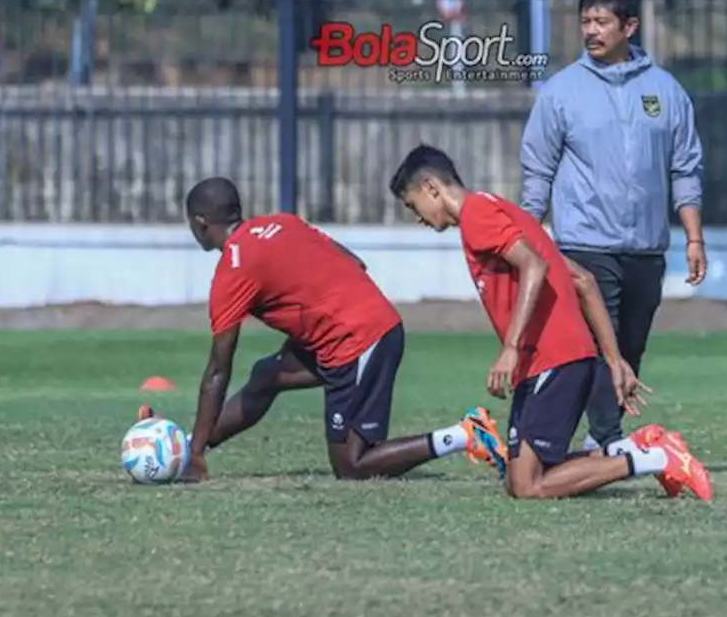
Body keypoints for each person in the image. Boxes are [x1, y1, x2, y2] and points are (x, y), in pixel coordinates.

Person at [390, 144, 713, 501]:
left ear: (431, 187)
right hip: (551, 360)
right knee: (519, 480)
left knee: (529, 486)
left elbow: (534, 266)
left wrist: (510, 348)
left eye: (412, 204)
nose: (417, 216)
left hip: (555, 358)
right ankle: (636, 448)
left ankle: (658, 458)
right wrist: (613, 359)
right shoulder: (502, 210)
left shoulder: (477, 215)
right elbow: (582, 280)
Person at [141, 176, 507, 483]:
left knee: (352, 465)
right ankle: (187, 445)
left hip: (361, 341)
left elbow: (218, 370)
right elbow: (354, 262)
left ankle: (464, 434)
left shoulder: (233, 272)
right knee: (269, 374)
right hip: (365, 326)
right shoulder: (282, 223)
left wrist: (198, 459)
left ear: (200, 223)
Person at [519, 0, 708, 455]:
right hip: (586, 245)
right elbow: (537, 172)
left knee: (631, 349)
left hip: (646, 248)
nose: (591, 30)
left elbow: (685, 166)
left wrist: (693, 239)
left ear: (630, 26)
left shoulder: (665, 91)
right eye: (585, 21)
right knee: (599, 352)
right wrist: (523, 238)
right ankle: (603, 442)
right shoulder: (562, 92)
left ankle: (595, 440)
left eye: (602, 21)